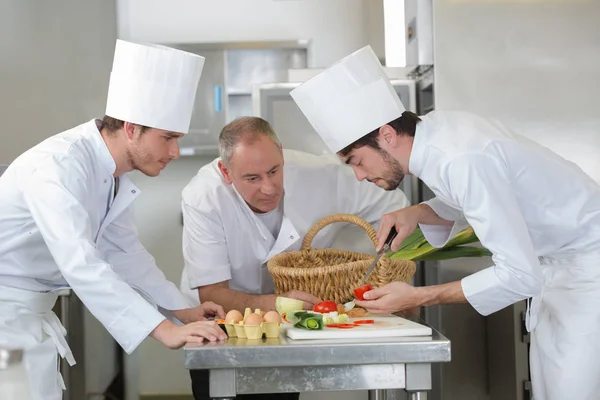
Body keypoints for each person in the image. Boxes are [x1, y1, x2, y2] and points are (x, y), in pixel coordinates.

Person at [290, 44, 600, 400]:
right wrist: (419, 212)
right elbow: (473, 197)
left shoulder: (460, 158)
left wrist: (420, 295)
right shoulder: (437, 132)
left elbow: (519, 275)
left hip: (588, 274)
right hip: (560, 272)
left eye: (357, 161)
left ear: (387, 135)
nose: (359, 176)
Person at [0, 39, 228, 400]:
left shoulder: (112, 174)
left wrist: (182, 310)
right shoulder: (61, 165)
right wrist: (162, 330)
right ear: (132, 127)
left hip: (28, 319)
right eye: (168, 137)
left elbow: (124, 253)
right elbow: (81, 263)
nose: (175, 151)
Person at [179, 116, 411, 399]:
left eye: (274, 171)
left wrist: (379, 266)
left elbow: (394, 207)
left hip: (288, 331)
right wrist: (281, 303)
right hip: (221, 326)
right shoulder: (203, 197)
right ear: (226, 173)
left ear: (280, 151)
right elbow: (213, 293)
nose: (268, 187)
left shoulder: (322, 175)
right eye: (252, 178)